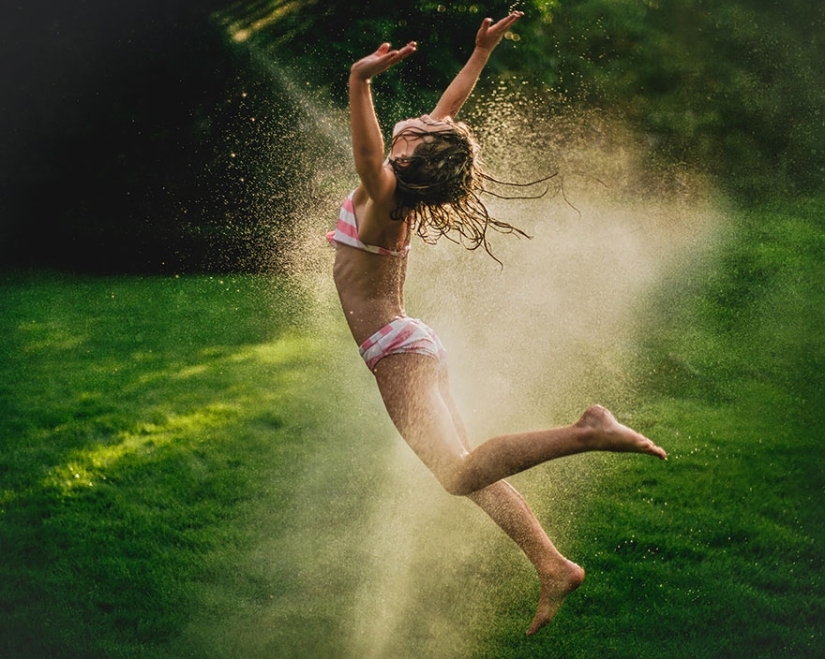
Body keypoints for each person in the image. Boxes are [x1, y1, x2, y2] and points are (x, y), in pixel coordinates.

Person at [327, 11, 667, 636]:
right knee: (472, 466)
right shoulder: (400, 185)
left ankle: (587, 431)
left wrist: (359, 81)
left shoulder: (383, 193)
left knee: (457, 474)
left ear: (407, 155)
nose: (429, 118)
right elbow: (447, 113)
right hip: (413, 342)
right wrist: (481, 54)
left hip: (397, 350)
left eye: (422, 130)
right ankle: (552, 563)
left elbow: (370, 147)